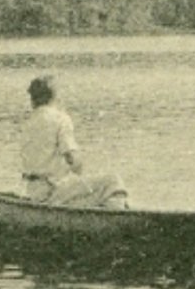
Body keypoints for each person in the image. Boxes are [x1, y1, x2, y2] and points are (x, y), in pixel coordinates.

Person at [18, 75, 129, 209]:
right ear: (54, 97)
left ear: (32, 99)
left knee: (91, 188)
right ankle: (117, 220)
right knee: (113, 181)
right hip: (53, 191)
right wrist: (81, 176)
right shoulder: (60, 119)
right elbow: (73, 160)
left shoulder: (28, 122)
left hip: (33, 191)